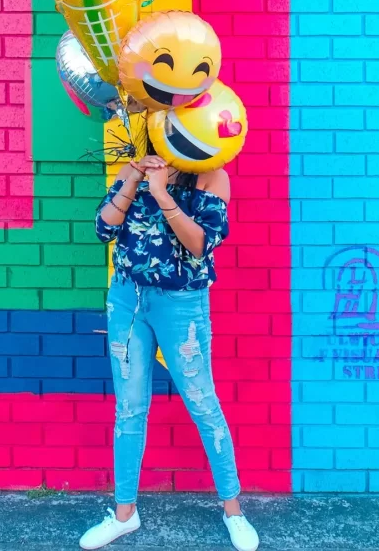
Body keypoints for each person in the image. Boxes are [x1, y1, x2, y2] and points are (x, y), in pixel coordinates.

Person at [79, 144, 259, 551]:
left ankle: (234, 511)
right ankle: (124, 514)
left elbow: (201, 244)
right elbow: (104, 229)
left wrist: (162, 194)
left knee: (202, 403)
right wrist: (133, 180)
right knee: (129, 409)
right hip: (127, 300)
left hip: (181, 306)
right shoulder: (134, 169)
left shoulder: (212, 177)